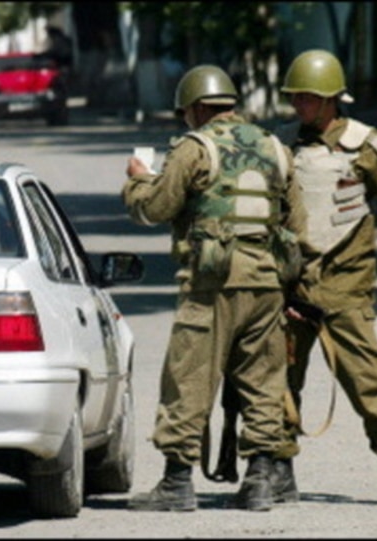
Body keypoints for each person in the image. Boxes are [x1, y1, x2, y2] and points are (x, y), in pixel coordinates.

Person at [122, 64, 308, 512]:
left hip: (212, 282)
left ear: (197, 108)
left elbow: (157, 207)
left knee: (188, 377)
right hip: (266, 282)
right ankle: (260, 479)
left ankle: (177, 482)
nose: (186, 119)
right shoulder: (275, 147)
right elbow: (298, 225)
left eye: (186, 112)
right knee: (263, 382)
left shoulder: (195, 147)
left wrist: (137, 179)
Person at [274, 49, 377, 504]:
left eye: (307, 96)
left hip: (345, 284)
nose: (298, 104)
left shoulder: (366, 145)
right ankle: (278, 468)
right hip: (291, 285)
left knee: (368, 379)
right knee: (277, 379)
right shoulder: (281, 146)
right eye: (294, 96)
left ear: (330, 99)